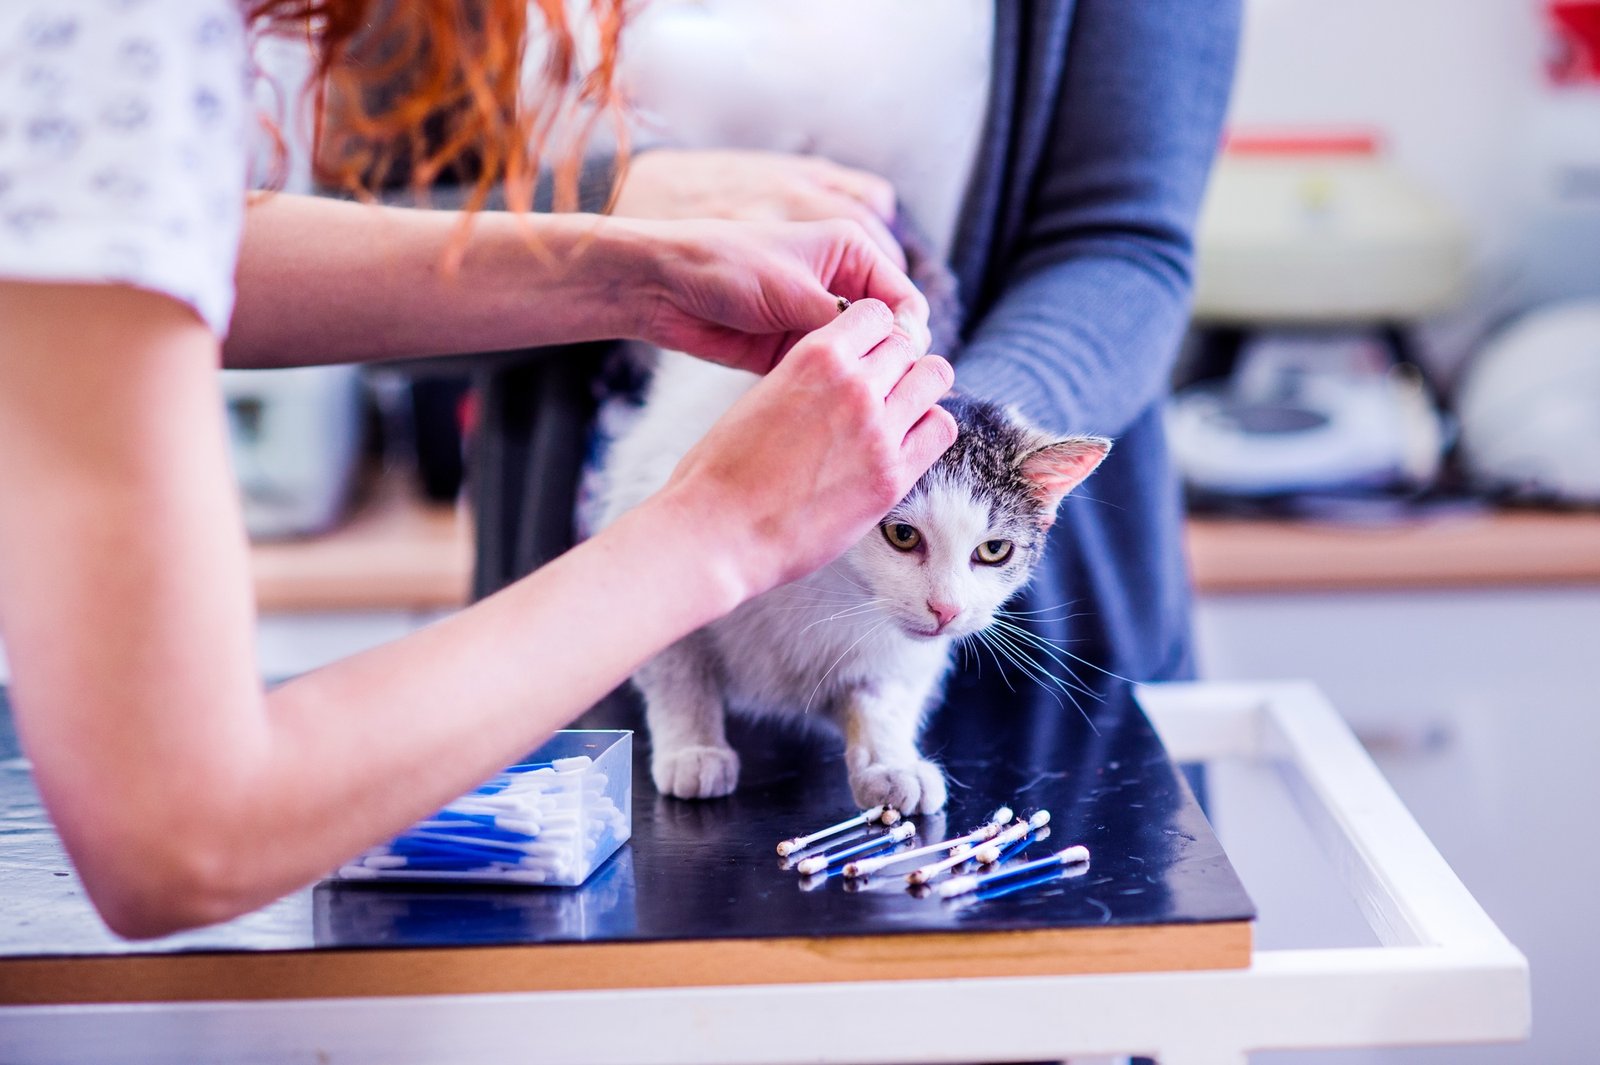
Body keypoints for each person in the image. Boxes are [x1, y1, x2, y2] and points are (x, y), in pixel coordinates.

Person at [0, 1, 954, 938]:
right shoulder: (106, 28)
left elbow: (189, 243)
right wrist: (721, 523)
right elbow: (182, 831)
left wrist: (635, 275)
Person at [474, 2, 1242, 696]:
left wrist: (940, 437)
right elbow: (366, 246)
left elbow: (1124, 244)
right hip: (590, 579)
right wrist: (604, 209)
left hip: (1002, 654)